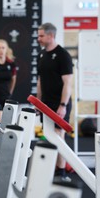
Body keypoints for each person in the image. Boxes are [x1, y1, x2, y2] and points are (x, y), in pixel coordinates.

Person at [37, 22, 73, 181]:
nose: (38, 39)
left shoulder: (63, 55)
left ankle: (61, 172)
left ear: (51, 36)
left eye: (41, 36)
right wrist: (38, 103)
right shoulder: (42, 55)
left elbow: (68, 83)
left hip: (60, 104)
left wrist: (63, 105)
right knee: (49, 136)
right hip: (45, 104)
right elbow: (40, 80)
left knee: (59, 136)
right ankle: (51, 171)